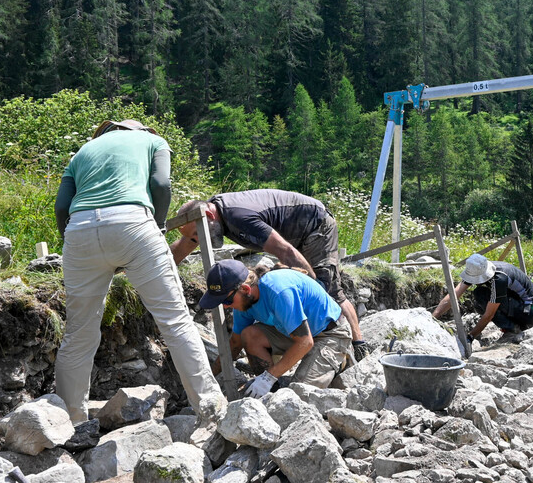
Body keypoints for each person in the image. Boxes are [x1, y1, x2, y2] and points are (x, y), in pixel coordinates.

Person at [53, 119, 225, 424]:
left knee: (79, 334)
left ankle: (71, 423)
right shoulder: (154, 142)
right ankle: (211, 410)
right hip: (133, 223)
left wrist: (75, 241)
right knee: (174, 321)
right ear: (142, 131)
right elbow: (161, 185)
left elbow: (62, 206)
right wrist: (157, 226)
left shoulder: (82, 152)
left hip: (79, 231)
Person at [169, 190, 369, 359]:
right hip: (292, 233)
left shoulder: (238, 217)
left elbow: (286, 251)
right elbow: (181, 247)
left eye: (197, 234)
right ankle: (304, 346)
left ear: (209, 217)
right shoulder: (206, 219)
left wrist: (313, 285)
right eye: (193, 237)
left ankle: (356, 344)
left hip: (315, 225)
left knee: (328, 288)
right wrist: (156, 272)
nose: (198, 239)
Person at [198, 259, 352, 397]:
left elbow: (305, 342)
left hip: (329, 334)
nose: (225, 305)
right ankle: (273, 391)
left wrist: (268, 378)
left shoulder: (279, 291)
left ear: (245, 289)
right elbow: (235, 344)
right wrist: (207, 381)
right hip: (295, 333)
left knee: (298, 395)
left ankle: (339, 362)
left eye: (227, 299)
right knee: (249, 335)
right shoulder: (244, 302)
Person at [432, 253, 533, 339]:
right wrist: (433, 318)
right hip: (517, 302)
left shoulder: (499, 279)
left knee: (482, 295)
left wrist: (470, 336)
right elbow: (454, 295)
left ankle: (513, 328)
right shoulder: (477, 269)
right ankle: (511, 326)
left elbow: (489, 315)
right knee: (479, 295)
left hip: (530, 311)